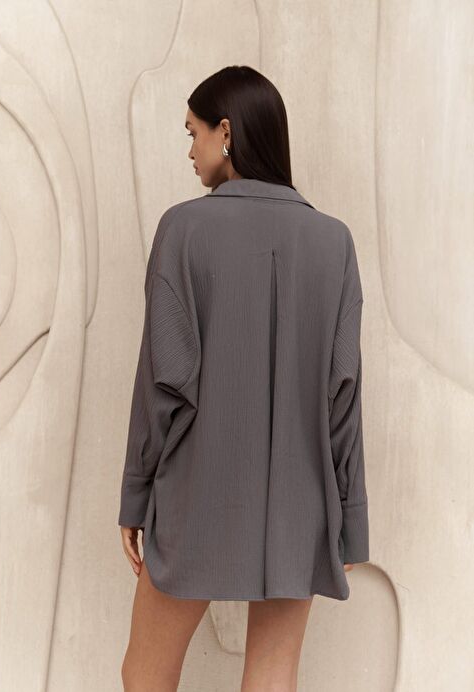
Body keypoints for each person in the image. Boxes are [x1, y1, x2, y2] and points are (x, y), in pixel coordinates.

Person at [119, 65, 369, 692]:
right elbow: (343, 394)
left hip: (196, 492)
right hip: (300, 501)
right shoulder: (334, 242)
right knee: (272, 678)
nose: (190, 150)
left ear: (226, 132)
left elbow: (163, 382)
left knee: (145, 674)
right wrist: (349, 518)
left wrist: (136, 495)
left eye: (193, 133)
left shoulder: (183, 229)